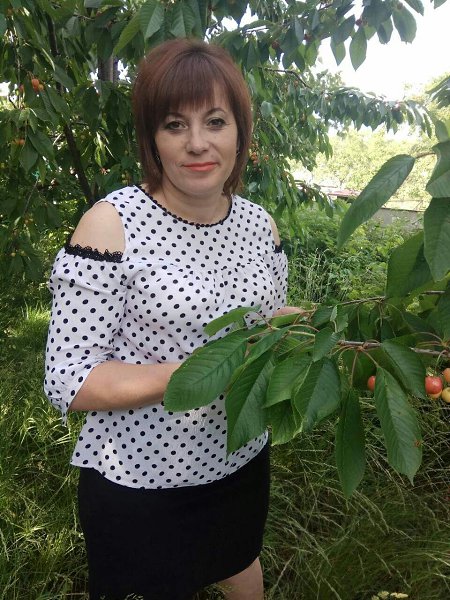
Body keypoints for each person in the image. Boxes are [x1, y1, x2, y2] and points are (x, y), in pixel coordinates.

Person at [44, 38, 295, 600]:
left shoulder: (260, 225)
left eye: (215, 121)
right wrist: (204, 372)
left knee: (240, 560)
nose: (197, 142)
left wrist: (316, 328)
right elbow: (69, 379)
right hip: (140, 476)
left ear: (240, 133)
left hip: (239, 455)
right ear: (152, 139)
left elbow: (263, 323)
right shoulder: (112, 224)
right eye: (175, 125)